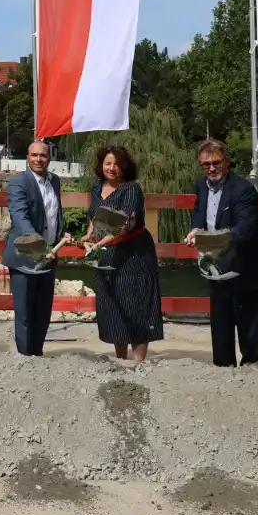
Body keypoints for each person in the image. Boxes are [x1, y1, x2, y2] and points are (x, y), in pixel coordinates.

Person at [185, 139, 258, 367]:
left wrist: (217, 240)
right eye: (205, 164)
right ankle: (223, 368)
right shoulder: (201, 185)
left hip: (246, 264)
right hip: (216, 264)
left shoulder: (243, 189)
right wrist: (195, 230)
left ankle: (251, 366)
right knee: (220, 320)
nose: (211, 168)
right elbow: (199, 211)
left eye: (216, 162)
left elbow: (246, 227)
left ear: (227, 161)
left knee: (248, 322)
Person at [82, 145, 163, 363]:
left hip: (133, 255)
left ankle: (138, 362)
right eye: (108, 163)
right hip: (107, 256)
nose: (112, 168)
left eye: (117, 164)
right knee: (114, 308)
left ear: (125, 167)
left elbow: (123, 224)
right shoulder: (96, 187)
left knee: (136, 306)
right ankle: (120, 359)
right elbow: (95, 216)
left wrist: (98, 246)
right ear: (101, 166)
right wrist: (89, 235)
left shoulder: (131, 189)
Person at [3, 141, 70, 356]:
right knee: (24, 314)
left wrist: (62, 232)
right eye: (34, 155)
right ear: (27, 157)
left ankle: (37, 354)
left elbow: (53, 213)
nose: (39, 159)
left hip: (49, 256)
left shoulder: (55, 181)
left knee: (42, 312)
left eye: (43, 155)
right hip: (25, 256)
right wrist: (36, 244)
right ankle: (25, 356)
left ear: (49, 158)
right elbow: (20, 216)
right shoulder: (19, 183)